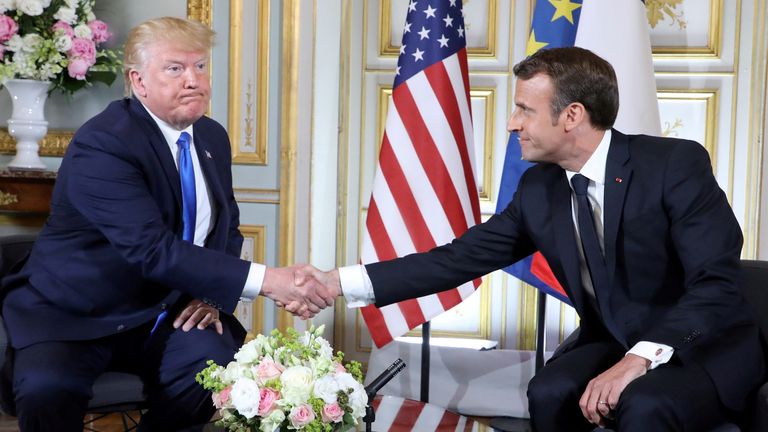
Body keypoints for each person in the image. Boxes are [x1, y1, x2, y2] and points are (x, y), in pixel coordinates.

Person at [301, 47, 766, 431]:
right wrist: (334, 283)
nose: (511, 123)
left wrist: (636, 362)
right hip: (618, 339)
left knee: (643, 405)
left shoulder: (673, 166)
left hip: (702, 346)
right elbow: (455, 260)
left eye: (524, 109)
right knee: (547, 392)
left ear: (572, 115)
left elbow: (716, 284)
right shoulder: (540, 188)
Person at [0, 17, 330, 432]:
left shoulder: (211, 136)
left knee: (210, 368)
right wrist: (270, 280)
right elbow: (151, 249)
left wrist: (212, 296)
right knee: (48, 390)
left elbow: (225, 227)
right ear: (138, 81)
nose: (193, 80)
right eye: (175, 68)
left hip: (162, 313)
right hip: (74, 314)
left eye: (201, 67)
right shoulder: (104, 143)